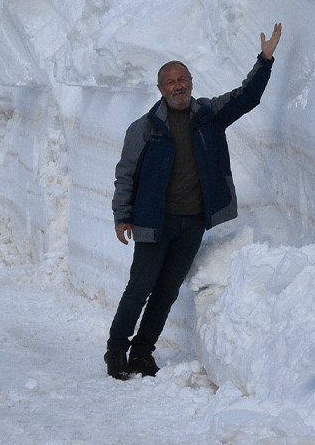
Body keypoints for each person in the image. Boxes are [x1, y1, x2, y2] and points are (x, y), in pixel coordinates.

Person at [105, 24, 283, 380]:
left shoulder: (208, 116)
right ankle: (115, 351)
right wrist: (122, 216)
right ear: (160, 89)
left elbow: (247, 97)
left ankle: (142, 353)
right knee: (139, 288)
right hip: (154, 223)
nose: (178, 85)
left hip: (192, 222)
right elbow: (126, 175)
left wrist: (264, 60)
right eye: (171, 81)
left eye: (183, 78)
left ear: (191, 82)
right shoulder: (143, 128)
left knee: (167, 292)